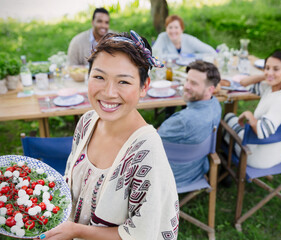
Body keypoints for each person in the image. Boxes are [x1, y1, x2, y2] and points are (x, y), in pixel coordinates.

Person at [40, 31, 179, 240]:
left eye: (123, 81)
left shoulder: (146, 151)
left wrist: (77, 231)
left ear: (144, 87)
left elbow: (144, 233)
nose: (109, 92)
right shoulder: (87, 122)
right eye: (99, 77)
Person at [223, 49, 281, 169]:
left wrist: (249, 114)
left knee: (227, 119)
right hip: (275, 153)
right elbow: (244, 83)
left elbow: (262, 131)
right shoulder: (271, 89)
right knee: (231, 119)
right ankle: (227, 158)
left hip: (257, 157)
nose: (270, 72)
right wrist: (266, 75)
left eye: (276, 69)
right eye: (267, 67)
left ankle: (224, 162)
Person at [158, 60, 222, 188]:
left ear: (210, 90)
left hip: (171, 177)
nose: (186, 86)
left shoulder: (183, 121)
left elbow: (152, 138)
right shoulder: (215, 105)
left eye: (193, 83)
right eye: (187, 80)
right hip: (197, 169)